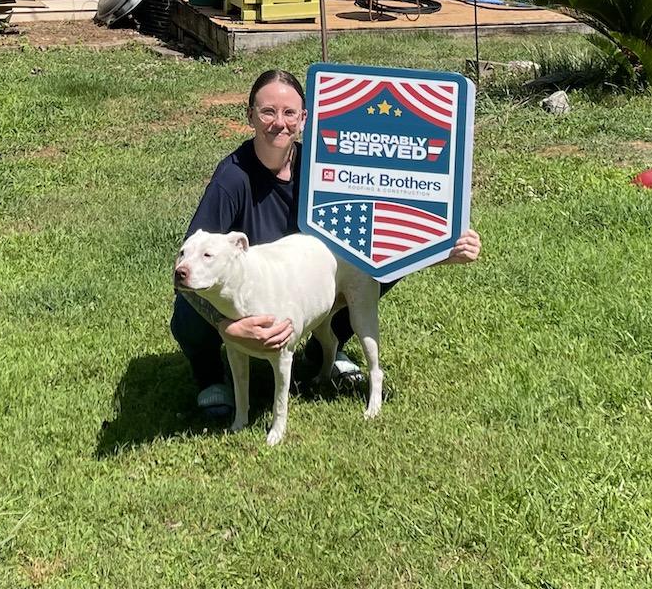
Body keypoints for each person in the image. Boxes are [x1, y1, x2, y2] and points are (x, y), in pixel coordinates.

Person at [171, 67, 481, 423]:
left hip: (307, 285)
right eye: (268, 112)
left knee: (369, 268)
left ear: (304, 119)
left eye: (289, 113)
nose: (279, 123)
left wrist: (442, 251)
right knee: (190, 303)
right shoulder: (232, 178)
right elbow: (186, 266)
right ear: (250, 116)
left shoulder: (321, 169)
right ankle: (212, 377)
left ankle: (323, 352)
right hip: (252, 291)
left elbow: (375, 236)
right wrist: (227, 325)